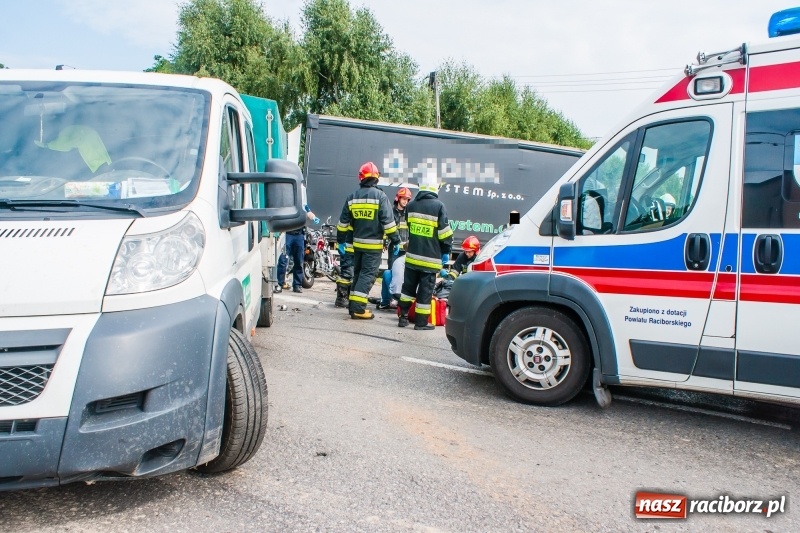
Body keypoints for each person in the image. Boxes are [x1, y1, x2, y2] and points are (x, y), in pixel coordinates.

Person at [336, 161, 399, 319]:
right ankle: (358, 309)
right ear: (376, 178)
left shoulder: (352, 197)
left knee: (358, 274)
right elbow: (389, 224)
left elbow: (343, 224)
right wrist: (396, 241)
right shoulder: (380, 196)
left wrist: (340, 241)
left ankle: (353, 307)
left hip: (356, 245)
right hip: (373, 247)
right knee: (367, 275)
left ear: (361, 177)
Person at [398, 170, 453, 330]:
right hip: (430, 260)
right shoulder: (439, 206)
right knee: (425, 291)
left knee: (407, 289)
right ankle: (421, 323)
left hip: (412, 257)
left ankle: (403, 317)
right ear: (435, 187)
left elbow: (409, 226)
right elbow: (445, 234)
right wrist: (445, 251)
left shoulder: (412, 205)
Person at [376, 187, 412, 310]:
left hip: (406, 250)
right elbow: (386, 229)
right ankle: (391, 298)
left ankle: (398, 298)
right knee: (391, 272)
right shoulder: (391, 212)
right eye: (403, 198)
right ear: (398, 198)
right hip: (395, 249)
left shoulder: (409, 213)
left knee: (405, 275)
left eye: (407, 199)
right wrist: (385, 243)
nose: (405, 201)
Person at [281, 184, 319, 293]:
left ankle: (297, 285)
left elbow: (307, 209)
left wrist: (313, 217)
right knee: (284, 259)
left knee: (299, 260)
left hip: (298, 234)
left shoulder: (301, 198)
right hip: (287, 233)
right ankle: (280, 282)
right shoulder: (287, 200)